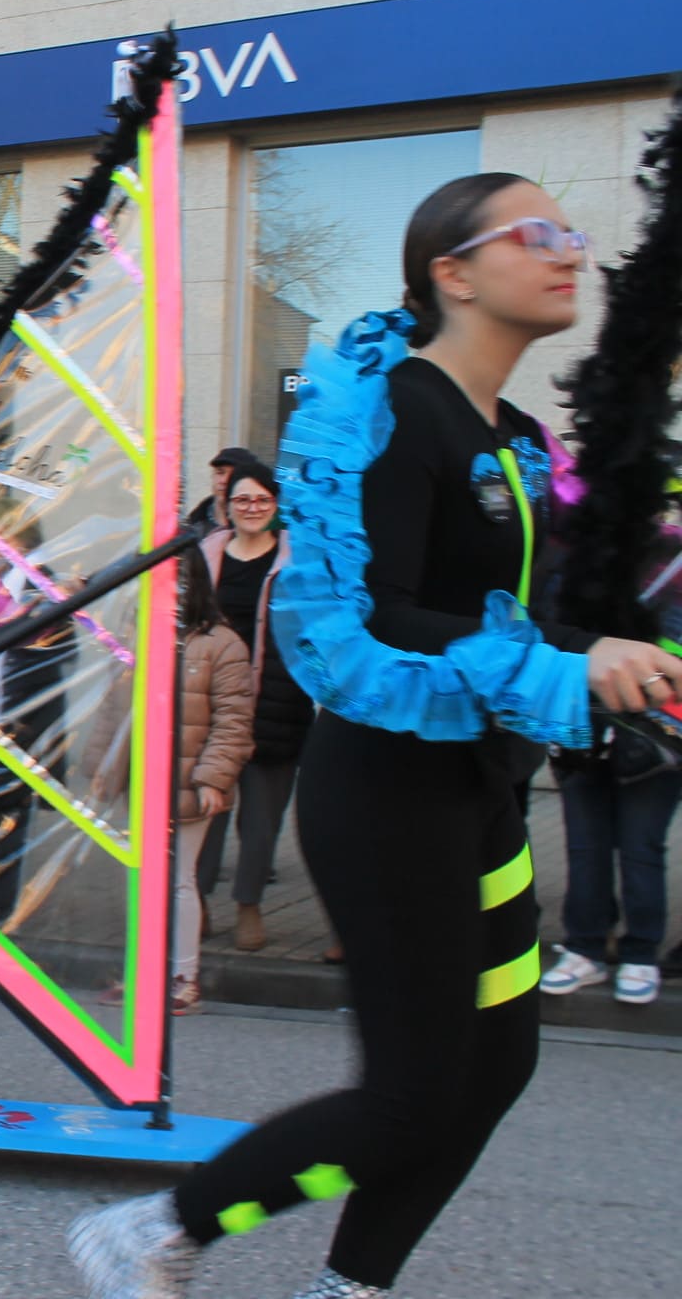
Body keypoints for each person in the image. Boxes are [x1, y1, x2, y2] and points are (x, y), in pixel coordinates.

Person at [68, 174, 682, 1299]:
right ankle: (157, 1227)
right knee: (413, 1085)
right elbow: (363, 621)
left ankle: (350, 1287)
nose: (569, 254)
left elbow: (529, 619)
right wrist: (562, 663)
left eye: (573, 234)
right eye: (536, 233)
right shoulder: (388, 411)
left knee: (496, 1065)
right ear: (451, 270)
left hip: (480, 792)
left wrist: (616, 656)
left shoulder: (519, 438)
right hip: (386, 796)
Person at [197, 461, 316, 951]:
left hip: (275, 699)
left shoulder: (297, 559)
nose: (251, 509)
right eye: (242, 500)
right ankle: (196, 899)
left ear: (276, 506)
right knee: (205, 809)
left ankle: (248, 904)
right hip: (209, 702)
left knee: (261, 817)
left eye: (262, 501)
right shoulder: (206, 553)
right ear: (228, 504)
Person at [164, 551, 255, 1013]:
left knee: (178, 880)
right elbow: (116, 709)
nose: (171, 589)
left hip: (189, 781)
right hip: (146, 778)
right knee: (146, 880)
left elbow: (234, 721)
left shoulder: (222, 644)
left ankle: (184, 977)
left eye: (179, 579)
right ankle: (149, 974)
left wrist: (211, 779)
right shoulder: (142, 630)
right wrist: (103, 768)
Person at [539, 717, 679, 1006]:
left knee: (640, 849)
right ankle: (585, 947)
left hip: (655, 727)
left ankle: (641, 953)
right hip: (580, 724)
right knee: (585, 848)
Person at [184, 445, 259, 535]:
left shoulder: (264, 531)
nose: (224, 481)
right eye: (220, 472)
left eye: (233, 474)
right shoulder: (192, 529)